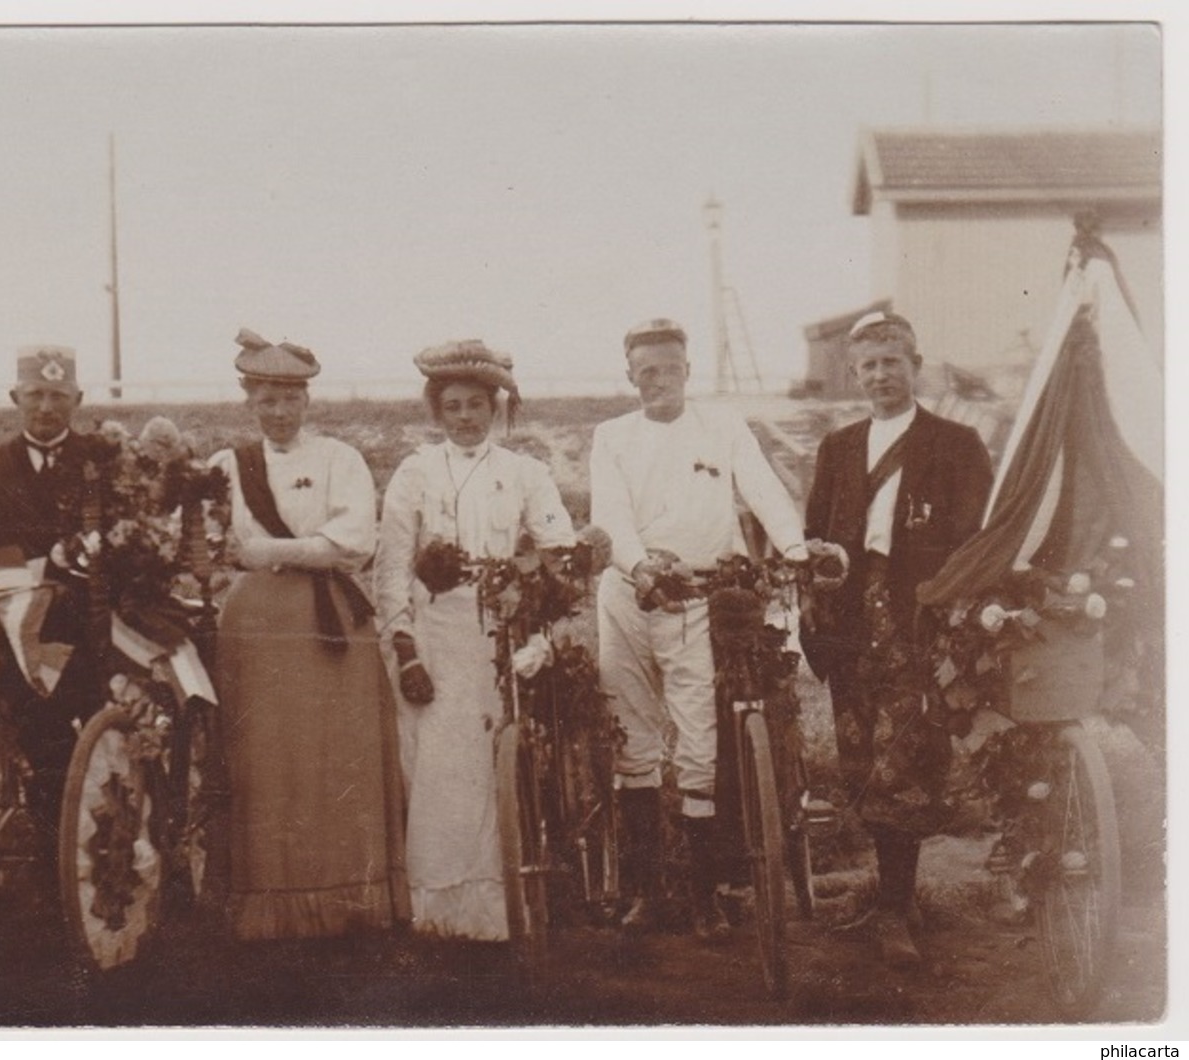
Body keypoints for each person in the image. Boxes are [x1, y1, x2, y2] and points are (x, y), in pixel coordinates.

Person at [588, 317, 805, 940]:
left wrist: (791, 548)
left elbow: (762, 488)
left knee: (700, 743)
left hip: (701, 597)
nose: (659, 380)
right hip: (632, 595)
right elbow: (611, 514)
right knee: (633, 739)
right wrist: (640, 566)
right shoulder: (613, 436)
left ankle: (706, 895)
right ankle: (649, 892)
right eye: (645, 371)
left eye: (670, 367)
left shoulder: (723, 426)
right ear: (630, 376)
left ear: (689, 369)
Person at [801, 310, 993, 966]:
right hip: (851, 620)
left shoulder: (955, 443)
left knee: (906, 761)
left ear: (915, 365)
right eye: (868, 365)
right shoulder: (839, 447)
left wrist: (948, 610)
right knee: (859, 757)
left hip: (918, 619)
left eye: (892, 362)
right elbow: (815, 532)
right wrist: (818, 593)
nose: (880, 375)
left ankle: (892, 909)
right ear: (854, 375)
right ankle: (895, 894)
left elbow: (975, 536)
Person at [209, 328, 409, 941]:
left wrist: (266, 549)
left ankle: (350, 897)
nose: (277, 412)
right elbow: (216, 545)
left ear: (307, 401)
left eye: (289, 399)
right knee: (266, 762)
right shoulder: (225, 466)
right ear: (249, 400)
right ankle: (268, 905)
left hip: (331, 627)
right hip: (254, 628)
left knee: (335, 757)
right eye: (265, 399)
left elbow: (352, 542)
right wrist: (278, 552)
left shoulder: (338, 460)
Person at [374, 340, 575, 941]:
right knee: (438, 771)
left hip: (504, 633)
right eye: (453, 406)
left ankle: (508, 910)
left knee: (503, 766)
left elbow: (557, 546)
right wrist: (404, 646)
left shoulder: (525, 473)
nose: (465, 418)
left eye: (477, 406)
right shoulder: (415, 473)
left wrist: (539, 611)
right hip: (434, 640)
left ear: (495, 409)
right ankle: (439, 915)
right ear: (437, 412)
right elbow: (391, 568)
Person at [0, 344, 97, 829]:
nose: (46, 407)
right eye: (35, 394)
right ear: (15, 397)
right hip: (11, 637)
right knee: (40, 740)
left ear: (78, 398)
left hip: (93, 632)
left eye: (58, 394)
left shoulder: (104, 461)